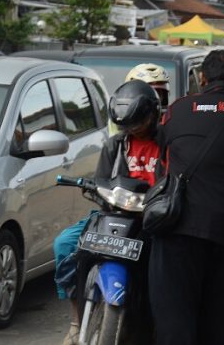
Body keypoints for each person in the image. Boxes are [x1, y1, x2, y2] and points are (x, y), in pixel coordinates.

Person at [149, 50, 224, 345]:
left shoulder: (178, 109)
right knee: (219, 325)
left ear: (202, 78)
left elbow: (163, 161)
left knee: (175, 324)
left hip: (180, 230)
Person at [54, 80, 163, 345]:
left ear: (152, 115)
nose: (133, 130)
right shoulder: (116, 145)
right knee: (64, 244)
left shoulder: (167, 144)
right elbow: (101, 180)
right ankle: (76, 319)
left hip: (151, 221)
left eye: (138, 124)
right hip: (114, 216)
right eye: (128, 126)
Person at [108, 63, 170, 136]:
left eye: (159, 93)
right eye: (149, 93)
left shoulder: (171, 120)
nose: (156, 99)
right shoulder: (121, 119)